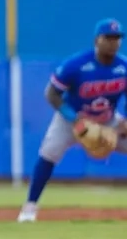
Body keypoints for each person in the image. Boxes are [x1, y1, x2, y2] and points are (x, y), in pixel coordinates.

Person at [17, 18, 127, 222]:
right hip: (71, 120)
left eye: (117, 38)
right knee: (48, 154)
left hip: (107, 120)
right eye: (108, 38)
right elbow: (51, 94)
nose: (114, 42)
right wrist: (74, 119)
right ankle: (29, 207)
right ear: (97, 40)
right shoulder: (76, 65)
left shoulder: (124, 66)